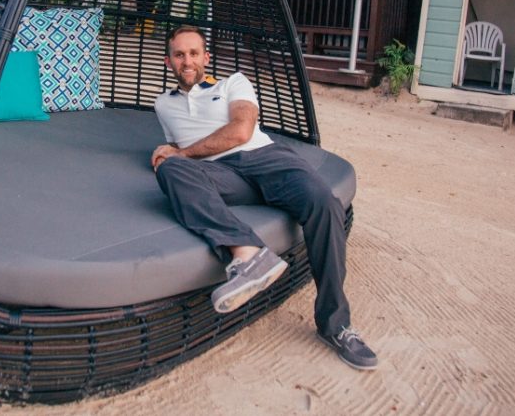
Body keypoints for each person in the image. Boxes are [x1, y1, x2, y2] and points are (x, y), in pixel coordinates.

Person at [151, 25, 378, 370]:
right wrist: (171, 153)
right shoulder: (162, 105)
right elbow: (182, 148)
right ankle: (248, 255)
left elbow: (241, 131)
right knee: (169, 172)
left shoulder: (233, 83)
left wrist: (182, 154)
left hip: (265, 160)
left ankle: (336, 325)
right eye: (179, 54)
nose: (187, 61)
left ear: (206, 58)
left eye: (194, 53)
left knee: (325, 203)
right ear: (169, 61)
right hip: (223, 176)